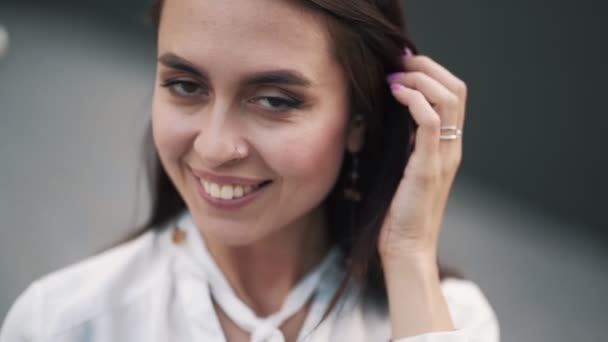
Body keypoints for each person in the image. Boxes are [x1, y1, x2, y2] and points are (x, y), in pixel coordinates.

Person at [0, 0, 499, 341]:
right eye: (185, 85)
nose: (215, 148)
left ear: (359, 119)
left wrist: (409, 255)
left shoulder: (447, 320)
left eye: (273, 100)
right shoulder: (63, 323)